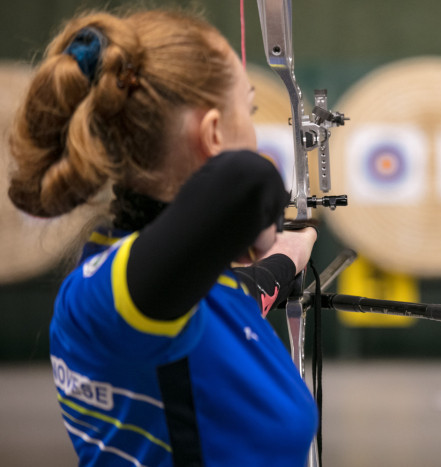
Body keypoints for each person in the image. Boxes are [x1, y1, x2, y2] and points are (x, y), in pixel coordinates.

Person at [7, 9, 319, 467]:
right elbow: (247, 180)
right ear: (213, 134)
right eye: (248, 109)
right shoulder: (106, 296)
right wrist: (260, 210)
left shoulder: (185, 291)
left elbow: (241, 294)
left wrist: (289, 252)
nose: (254, 131)